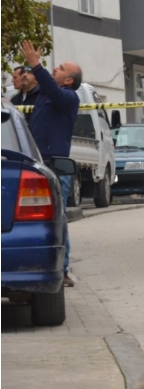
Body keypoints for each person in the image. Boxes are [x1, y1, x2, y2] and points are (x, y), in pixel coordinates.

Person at [20, 41, 82, 288]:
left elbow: (51, 89)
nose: (54, 69)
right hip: (36, 165)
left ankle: (63, 269)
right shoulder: (45, 96)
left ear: (69, 80)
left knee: (59, 219)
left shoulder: (68, 97)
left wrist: (36, 64)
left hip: (56, 168)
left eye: (59, 68)